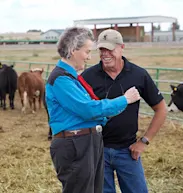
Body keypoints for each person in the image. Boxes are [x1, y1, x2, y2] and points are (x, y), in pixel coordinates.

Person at [45, 27, 141, 193]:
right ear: (73, 49)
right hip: (75, 144)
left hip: (86, 143)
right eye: (87, 51)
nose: (89, 57)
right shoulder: (61, 79)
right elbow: (88, 109)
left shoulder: (71, 78)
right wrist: (124, 100)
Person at [81, 29, 168, 193]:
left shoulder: (138, 75)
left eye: (110, 49)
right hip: (97, 150)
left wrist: (144, 141)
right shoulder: (88, 77)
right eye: (102, 50)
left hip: (128, 151)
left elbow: (161, 109)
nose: (105, 54)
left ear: (122, 47)